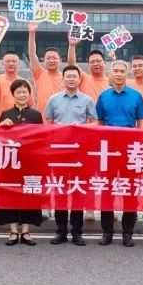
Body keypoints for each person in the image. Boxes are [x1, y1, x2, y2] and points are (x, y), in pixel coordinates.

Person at [95, 60, 143, 247]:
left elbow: (141, 123)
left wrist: (140, 146)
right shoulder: (103, 96)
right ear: (111, 74)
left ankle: (128, 233)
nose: (118, 74)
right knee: (106, 191)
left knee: (130, 191)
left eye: (122, 71)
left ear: (127, 74)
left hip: (130, 150)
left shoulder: (136, 96)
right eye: (116, 71)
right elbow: (100, 122)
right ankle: (107, 232)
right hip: (109, 150)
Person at [44, 64, 98, 245]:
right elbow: (48, 122)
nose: (71, 79)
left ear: (79, 79)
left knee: (77, 190)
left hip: (79, 152)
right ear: (63, 79)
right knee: (60, 190)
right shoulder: (53, 99)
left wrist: (80, 127)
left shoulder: (87, 100)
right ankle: (61, 231)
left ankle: (77, 232)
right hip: (59, 151)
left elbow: (96, 122)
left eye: (74, 76)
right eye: (68, 76)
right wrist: (57, 129)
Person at [0, 79, 44, 246]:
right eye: (18, 92)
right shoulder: (6, 114)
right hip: (10, 162)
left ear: (29, 94)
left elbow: (41, 139)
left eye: (25, 92)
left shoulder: (36, 115)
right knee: (10, 194)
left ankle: (26, 231)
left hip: (30, 161)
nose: (22, 95)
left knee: (29, 194)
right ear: (13, 94)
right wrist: (1, 126)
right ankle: (13, 231)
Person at [28, 22, 65, 113]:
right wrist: (32, 32)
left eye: (54, 58)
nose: (51, 61)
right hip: (41, 116)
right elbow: (32, 54)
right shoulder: (39, 73)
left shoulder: (65, 78)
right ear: (44, 61)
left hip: (60, 116)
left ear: (60, 60)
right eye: (48, 58)